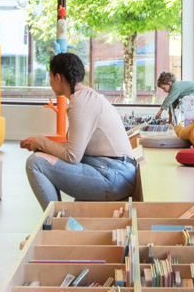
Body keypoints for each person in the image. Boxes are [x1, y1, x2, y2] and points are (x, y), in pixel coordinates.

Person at [21, 52, 138, 208]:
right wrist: (41, 145)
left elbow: (72, 156)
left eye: (50, 77)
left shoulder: (80, 101)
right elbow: (75, 150)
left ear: (58, 77)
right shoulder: (85, 97)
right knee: (43, 156)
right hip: (115, 171)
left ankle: (53, 220)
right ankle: (57, 218)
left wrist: (41, 142)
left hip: (114, 176)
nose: (50, 82)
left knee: (35, 163)